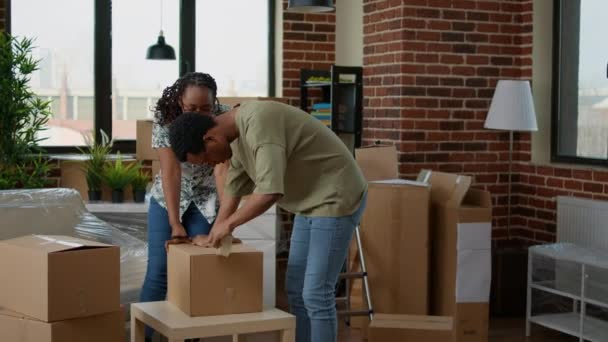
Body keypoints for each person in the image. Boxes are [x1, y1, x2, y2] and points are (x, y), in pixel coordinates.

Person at [168, 100, 368, 342]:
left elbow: (269, 192)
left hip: (337, 194)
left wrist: (228, 225)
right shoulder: (235, 137)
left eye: (207, 159)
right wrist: (214, 235)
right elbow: (234, 189)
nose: (213, 164)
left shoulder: (259, 124)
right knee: (295, 289)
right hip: (310, 202)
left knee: (316, 293)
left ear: (211, 138)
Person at [140, 72, 230, 340]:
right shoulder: (164, 119)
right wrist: (174, 222)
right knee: (158, 271)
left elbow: (224, 168)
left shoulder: (224, 118)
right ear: (180, 101)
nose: (200, 113)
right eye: (192, 108)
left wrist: (226, 219)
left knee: (196, 272)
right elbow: (171, 172)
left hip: (206, 200)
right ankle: (145, 336)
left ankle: (190, 337)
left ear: (215, 102)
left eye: (206, 107)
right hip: (168, 198)